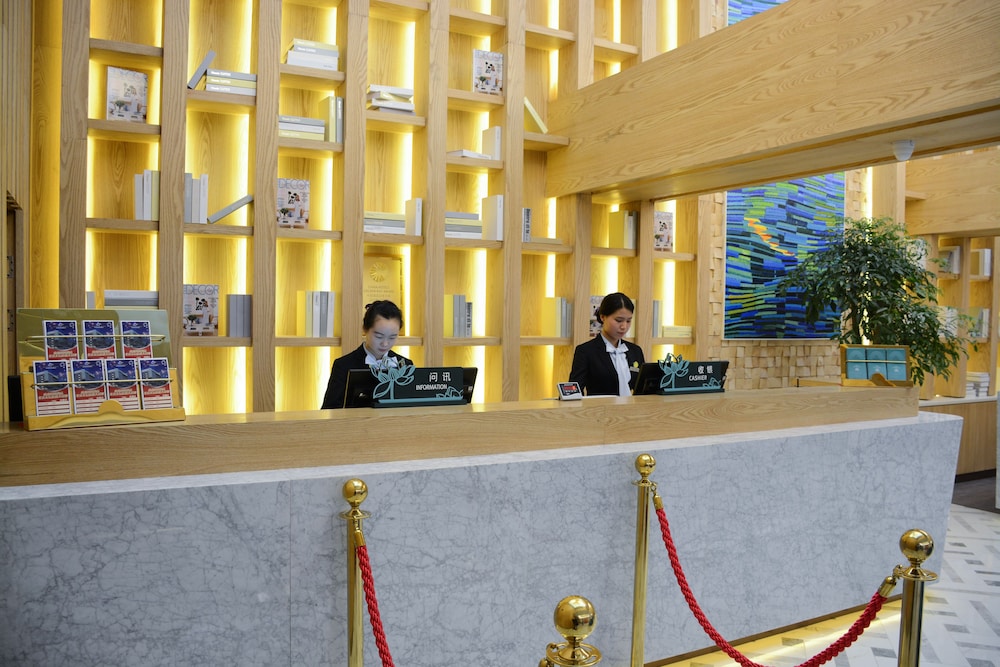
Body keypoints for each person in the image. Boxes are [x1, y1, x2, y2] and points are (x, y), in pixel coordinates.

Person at [321, 300, 412, 409]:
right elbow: (329, 410)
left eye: (392, 337)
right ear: (365, 329)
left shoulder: (406, 365)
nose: (385, 343)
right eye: (379, 336)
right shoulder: (344, 365)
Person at [569, 292, 645, 396]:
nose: (624, 326)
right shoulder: (586, 351)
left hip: (632, 406)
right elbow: (574, 392)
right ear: (603, 317)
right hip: (600, 406)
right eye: (618, 320)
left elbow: (642, 389)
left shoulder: (635, 351)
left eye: (628, 321)